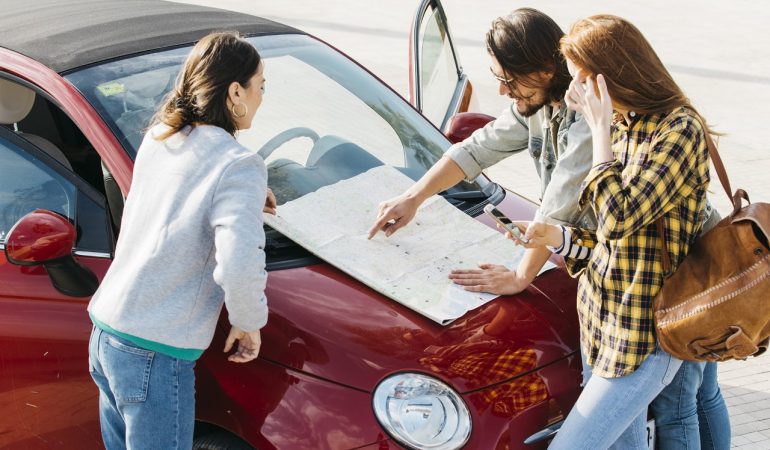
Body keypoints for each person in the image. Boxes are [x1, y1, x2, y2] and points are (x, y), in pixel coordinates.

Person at [506, 15, 725, 449]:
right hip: (600, 329)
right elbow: (610, 241)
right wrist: (555, 238)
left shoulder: (679, 130)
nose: (576, 95)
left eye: (581, 82)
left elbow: (621, 215)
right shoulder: (623, 128)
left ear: (614, 75)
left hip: (645, 338)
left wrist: (598, 129)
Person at [87, 32, 273, 449]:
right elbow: (239, 259)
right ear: (236, 91)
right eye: (261, 86)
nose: (263, 96)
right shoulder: (239, 164)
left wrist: (250, 195)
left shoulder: (161, 137)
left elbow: (175, 199)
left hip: (108, 334)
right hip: (154, 349)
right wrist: (249, 322)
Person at [368, 7, 596, 297]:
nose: (502, 92)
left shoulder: (587, 116)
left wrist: (518, 278)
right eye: (498, 78)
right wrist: (413, 197)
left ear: (546, 70)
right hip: (575, 258)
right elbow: (475, 150)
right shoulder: (534, 105)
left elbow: (557, 204)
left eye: (509, 81)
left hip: (618, 268)